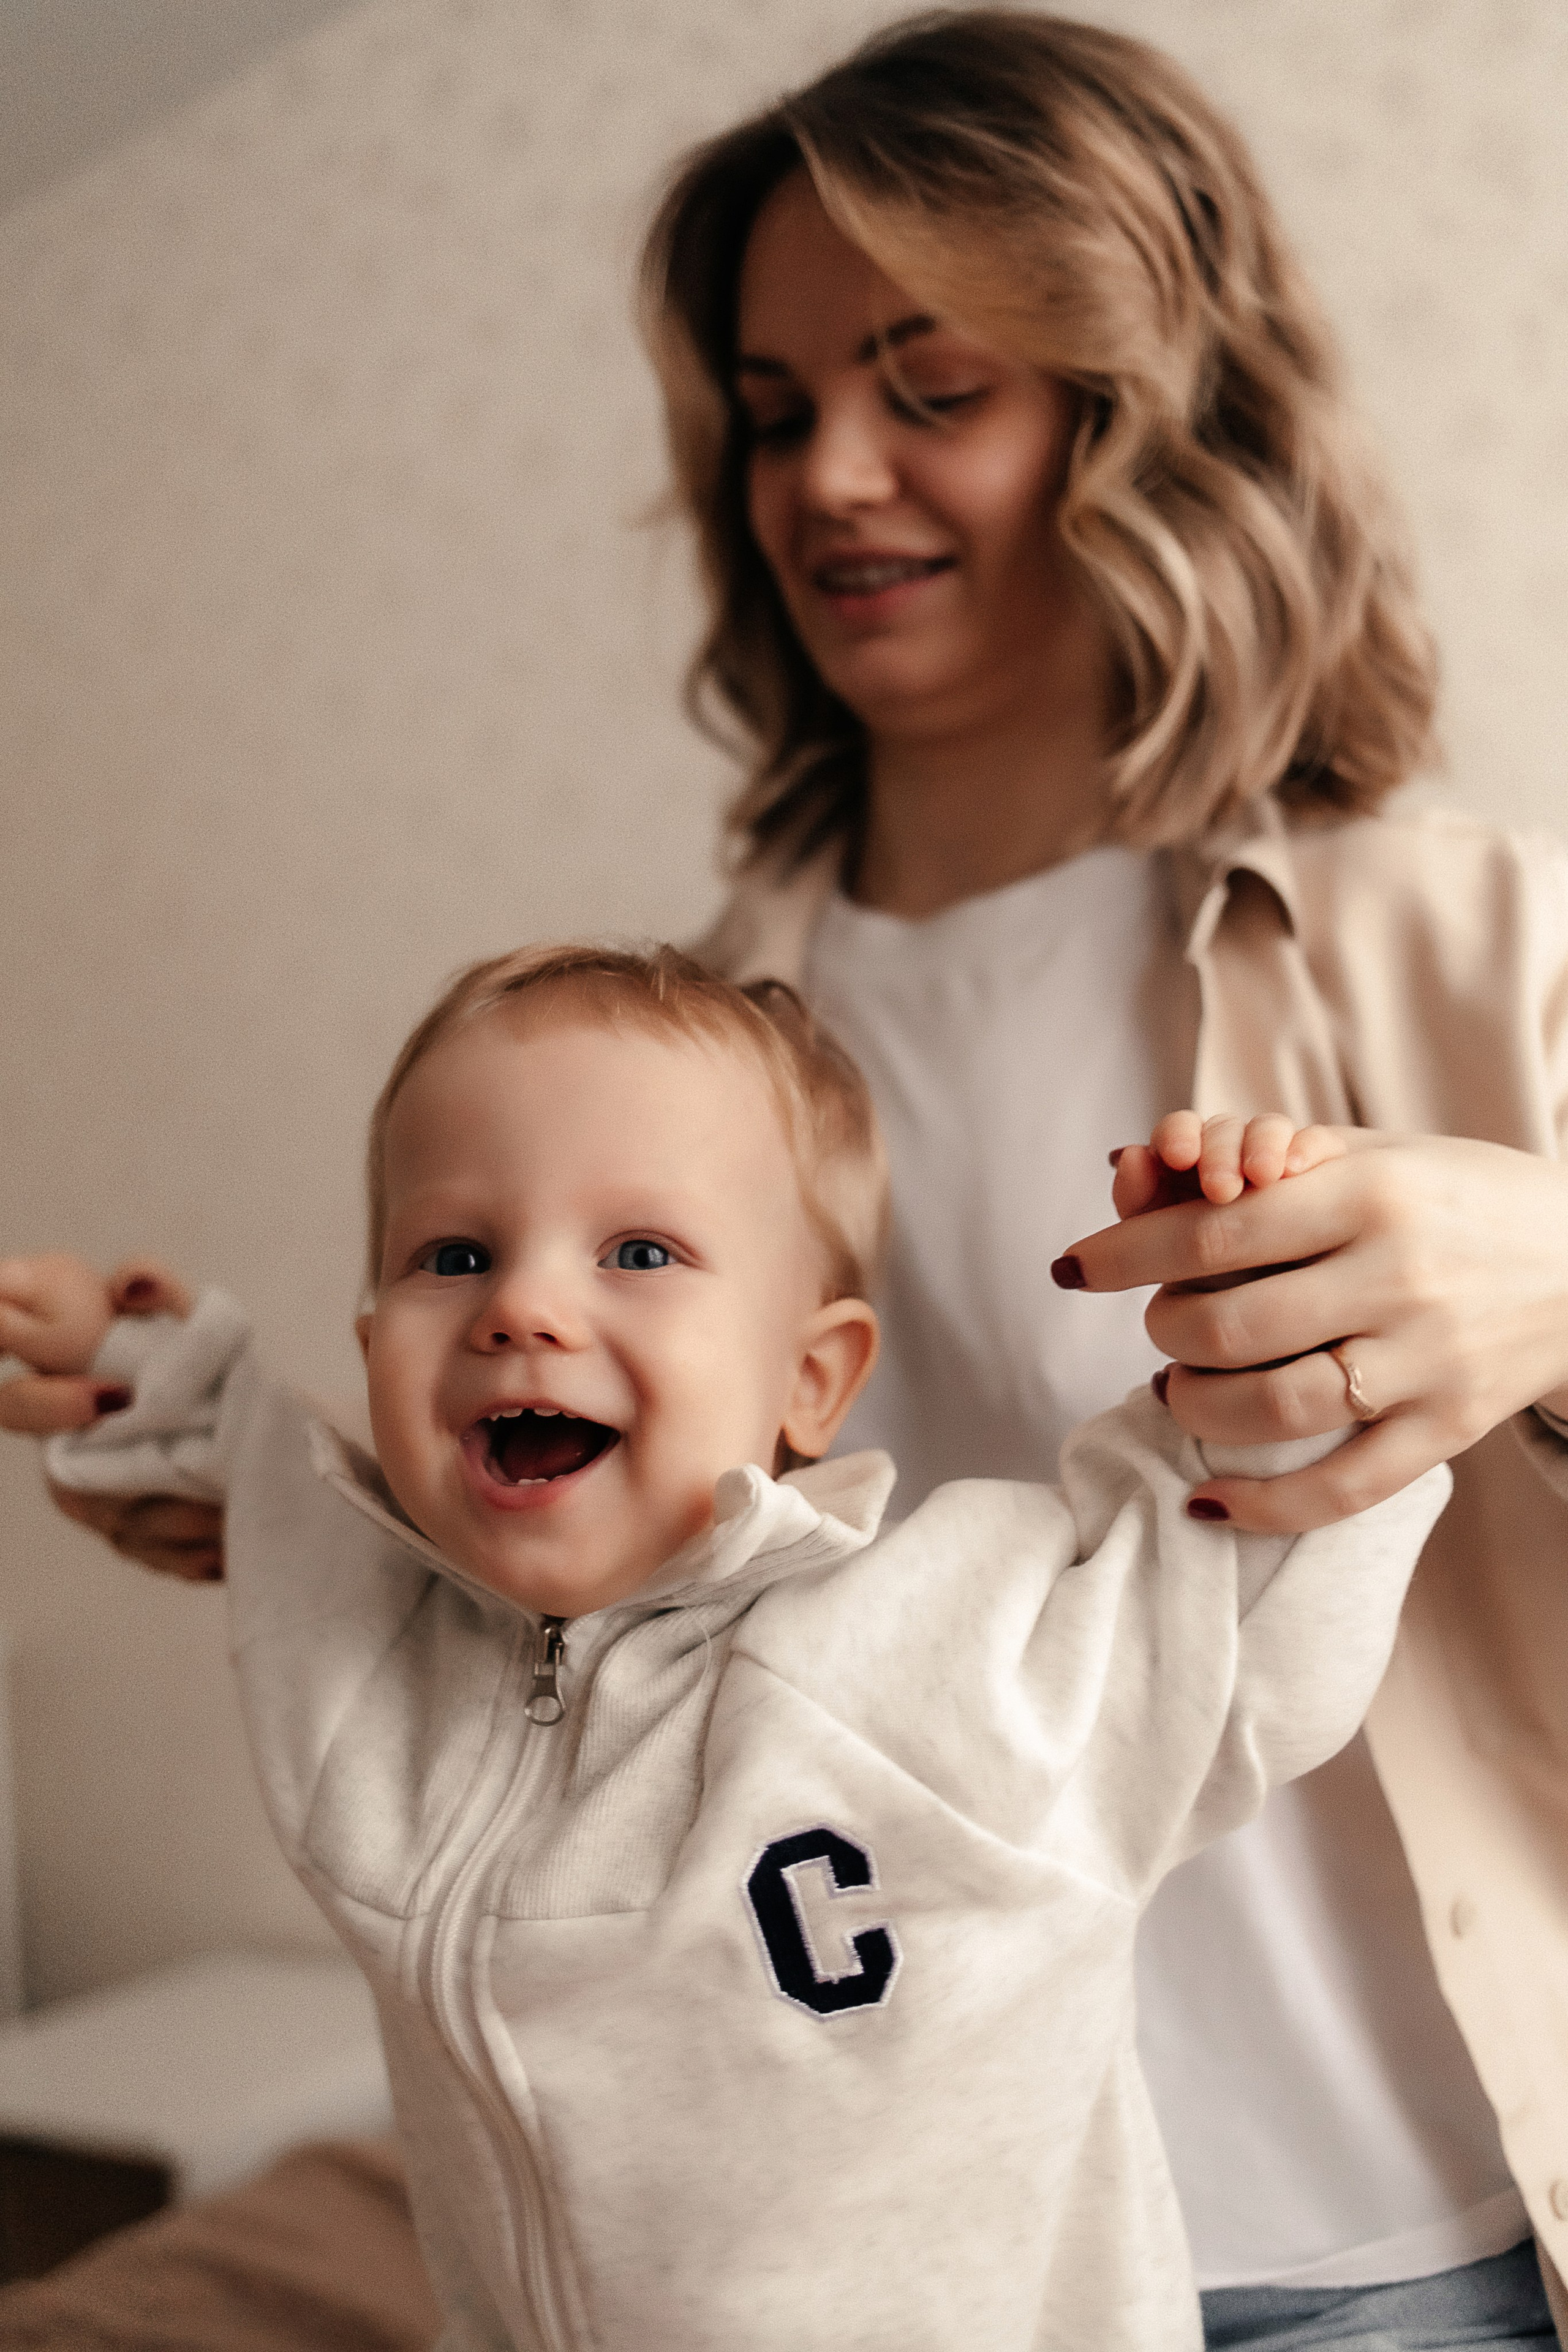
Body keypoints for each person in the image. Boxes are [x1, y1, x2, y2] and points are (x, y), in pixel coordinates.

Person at [8, 11, 1568, 2350]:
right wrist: (291, 1488)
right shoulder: (685, 1049)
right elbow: (683, 1602)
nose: (831, 475)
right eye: (772, 408)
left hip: (1381, 2235)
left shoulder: (1454, 942)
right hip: (846, 2256)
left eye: (931, 387)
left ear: (1135, 407)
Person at [2, 941, 1448, 2351]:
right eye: (455, 1253)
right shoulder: (388, 1643)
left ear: (809, 1377)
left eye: (639, 1251)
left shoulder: (944, 1664)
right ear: (376, 1339)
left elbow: (1235, 1581)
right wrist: (119, 1373)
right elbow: (271, 1478)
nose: (522, 1306)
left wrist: (1278, 1305)